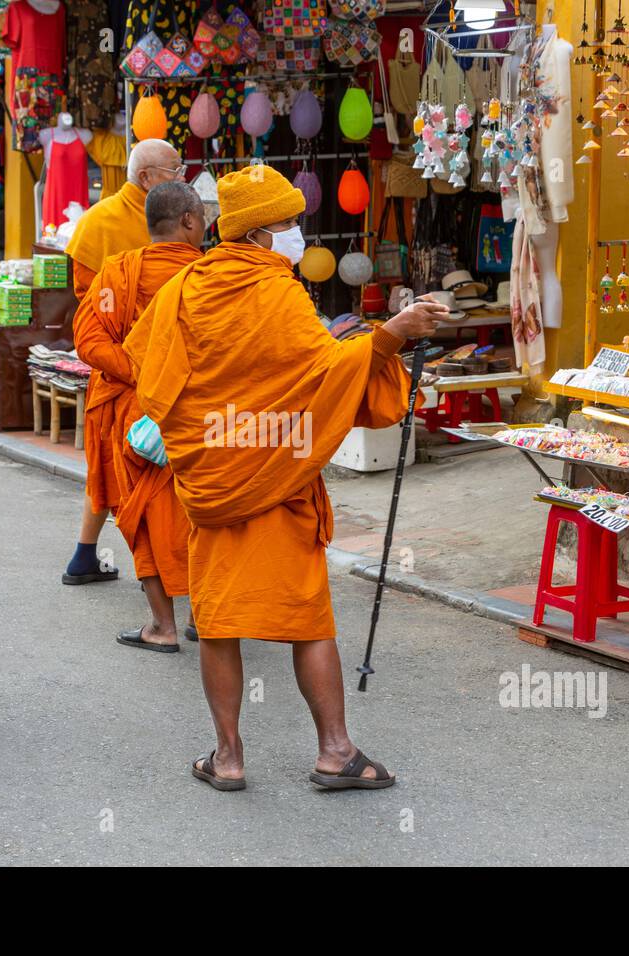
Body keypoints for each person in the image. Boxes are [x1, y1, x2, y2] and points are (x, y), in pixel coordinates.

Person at [124, 167, 448, 790]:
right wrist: (389, 338)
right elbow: (323, 375)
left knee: (219, 621)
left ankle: (228, 757)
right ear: (263, 234)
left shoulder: (186, 287)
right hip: (278, 477)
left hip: (216, 477)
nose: (298, 235)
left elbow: (158, 383)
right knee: (308, 619)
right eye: (290, 225)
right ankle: (335, 751)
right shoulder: (276, 293)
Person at [74, 181, 204, 652]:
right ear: (188, 221)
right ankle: (204, 618)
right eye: (202, 217)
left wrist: (138, 371)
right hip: (198, 413)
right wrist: (161, 373)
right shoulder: (210, 276)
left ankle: (162, 627)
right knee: (201, 514)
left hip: (136, 419)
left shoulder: (119, 272)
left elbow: (88, 341)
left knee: (144, 514)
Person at [61, 138, 186, 586]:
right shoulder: (103, 223)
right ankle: (161, 584)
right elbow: (89, 303)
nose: (182, 176)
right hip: (126, 368)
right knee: (135, 474)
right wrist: (136, 356)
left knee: (118, 467)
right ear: (146, 177)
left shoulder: (165, 219)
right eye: (175, 169)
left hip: (134, 367)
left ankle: (85, 557)